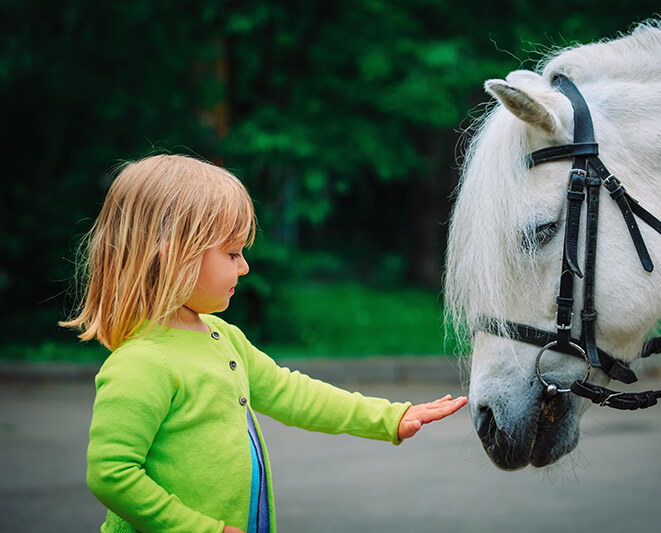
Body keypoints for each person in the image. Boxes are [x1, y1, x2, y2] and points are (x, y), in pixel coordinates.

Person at [61, 153, 467, 533]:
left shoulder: (225, 339)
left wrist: (390, 417)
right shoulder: (142, 363)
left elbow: (294, 394)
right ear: (173, 258)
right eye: (233, 253)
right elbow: (111, 473)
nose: (245, 266)